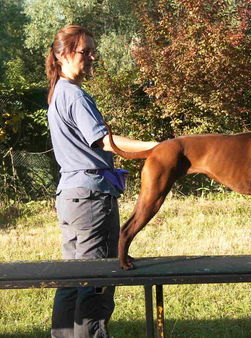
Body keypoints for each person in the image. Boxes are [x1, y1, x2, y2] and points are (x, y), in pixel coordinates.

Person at [46, 25, 157, 338]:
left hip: (70, 197)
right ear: (62, 55)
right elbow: (105, 142)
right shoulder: (75, 95)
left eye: (92, 50)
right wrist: (158, 149)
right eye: (85, 51)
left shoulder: (57, 93)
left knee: (73, 278)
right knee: (96, 279)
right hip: (91, 199)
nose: (93, 56)